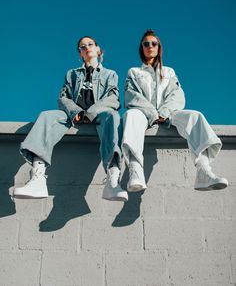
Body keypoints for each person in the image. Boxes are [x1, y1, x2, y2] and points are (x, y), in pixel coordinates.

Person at [13, 36, 128, 202]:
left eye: (90, 44)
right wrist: (76, 112)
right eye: (82, 47)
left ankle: (112, 178)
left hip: (99, 115)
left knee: (113, 116)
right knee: (46, 115)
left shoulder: (110, 74)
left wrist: (92, 112)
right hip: (73, 115)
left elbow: (113, 98)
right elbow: (63, 97)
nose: (86, 47)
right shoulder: (72, 74)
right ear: (80, 54)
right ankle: (37, 177)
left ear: (98, 49)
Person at [122, 29, 228, 192]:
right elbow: (131, 96)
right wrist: (152, 113)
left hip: (169, 114)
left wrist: (164, 112)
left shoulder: (168, 72)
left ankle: (203, 171)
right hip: (143, 113)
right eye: (146, 43)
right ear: (142, 48)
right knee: (130, 115)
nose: (150, 46)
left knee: (195, 116)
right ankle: (135, 170)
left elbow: (177, 95)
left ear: (159, 47)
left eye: (154, 43)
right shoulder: (134, 72)